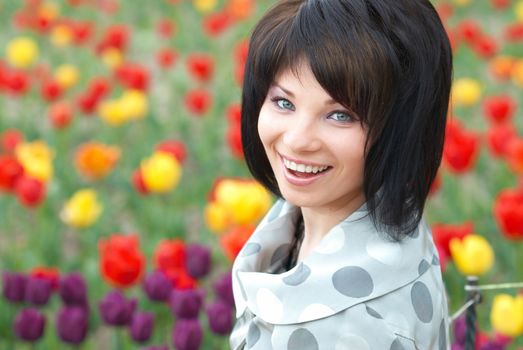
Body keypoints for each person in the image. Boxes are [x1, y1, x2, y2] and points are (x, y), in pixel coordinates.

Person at [230, 0, 452, 349]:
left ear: (401, 128)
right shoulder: (381, 223)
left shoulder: (353, 329)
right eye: (284, 102)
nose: (297, 140)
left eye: (340, 115)